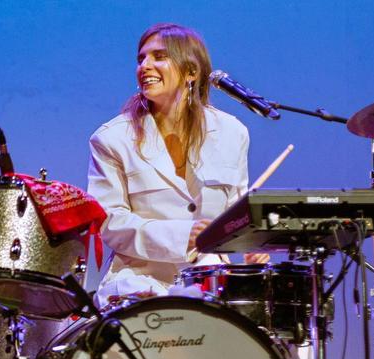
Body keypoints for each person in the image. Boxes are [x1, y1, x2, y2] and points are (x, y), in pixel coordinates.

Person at [88, 22, 267, 307]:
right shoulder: (111, 139)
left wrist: (250, 247)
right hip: (139, 284)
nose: (145, 66)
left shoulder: (233, 133)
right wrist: (182, 235)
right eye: (141, 58)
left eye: (159, 56)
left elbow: (237, 212)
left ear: (191, 72)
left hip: (210, 282)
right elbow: (110, 222)